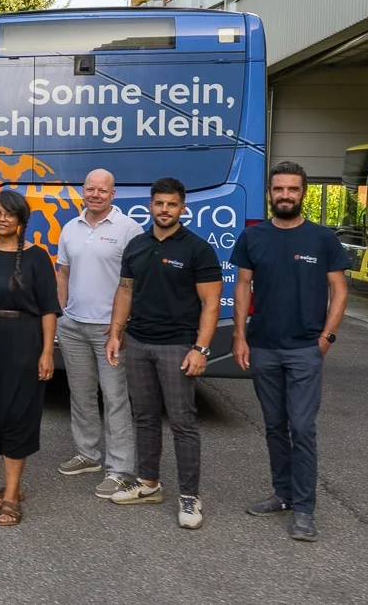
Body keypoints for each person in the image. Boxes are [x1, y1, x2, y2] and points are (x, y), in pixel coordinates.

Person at [232, 161, 349, 542]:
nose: (285, 195)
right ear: (270, 192)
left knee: (302, 427)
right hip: (263, 346)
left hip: (304, 349)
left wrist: (326, 338)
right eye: (279, 189)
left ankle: (304, 508)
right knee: (274, 427)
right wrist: (239, 336)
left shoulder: (322, 238)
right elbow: (243, 287)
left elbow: (340, 291)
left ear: (303, 193)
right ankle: (282, 493)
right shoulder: (254, 237)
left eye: (293, 189)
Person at [106, 177, 222, 531]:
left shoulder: (198, 250)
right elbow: (125, 292)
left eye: (172, 204)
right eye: (159, 204)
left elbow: (211, 303)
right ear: (150, 206)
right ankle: (148, 483)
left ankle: (190, 496)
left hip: (177, 346)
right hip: (138, 343)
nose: (165, 210)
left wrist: (201, 348)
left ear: (182, 208)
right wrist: (116, 333)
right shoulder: (137, 246)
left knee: (183, 422)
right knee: (144, 417)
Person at [0, 191, 60, 527]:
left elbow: (49, 308)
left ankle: (11, 495)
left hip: (23, 342)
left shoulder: (37, 258)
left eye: (9, 214)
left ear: (22, 220)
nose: (1, 218)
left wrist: (47, 352)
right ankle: (12, 484)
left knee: (18, 413)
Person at [53, 169, 146, 499]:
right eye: (90, 189)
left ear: (113, 194)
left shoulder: (129, 229)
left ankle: (120, 468)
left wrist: (120, 326)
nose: (95, 194)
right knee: (80, 395)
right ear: (83, 191)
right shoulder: (70, 228)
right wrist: (62, 311)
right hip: (74, 326)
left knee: (115, 398)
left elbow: (134, 283)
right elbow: (63, 272)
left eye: (102, 190)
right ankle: (88, 454)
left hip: (111, 330)